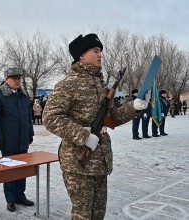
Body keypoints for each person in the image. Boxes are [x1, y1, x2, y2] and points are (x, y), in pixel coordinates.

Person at [42, 33, 149, 219]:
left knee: (98, 214)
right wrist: (83, 136)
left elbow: (111, 119)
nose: (100, 55)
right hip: (78, 163)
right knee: (83, 215)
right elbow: (50, 118)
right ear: (81, 55)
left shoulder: (101, 86)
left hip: (100, 161)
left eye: (100, 51)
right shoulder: (68, 85)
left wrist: (134, 108)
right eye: (95, 51)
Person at [0, 67, 34, 212]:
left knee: (22, 169)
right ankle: (10, 199)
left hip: (22, 140)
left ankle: (20, 195)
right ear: (7, 79)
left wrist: (30, 133)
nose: (17, 81)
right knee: (9, 170)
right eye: (14, 78)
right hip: (8, 141)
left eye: (19, 78)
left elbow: (28, 117)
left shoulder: (24, 95)